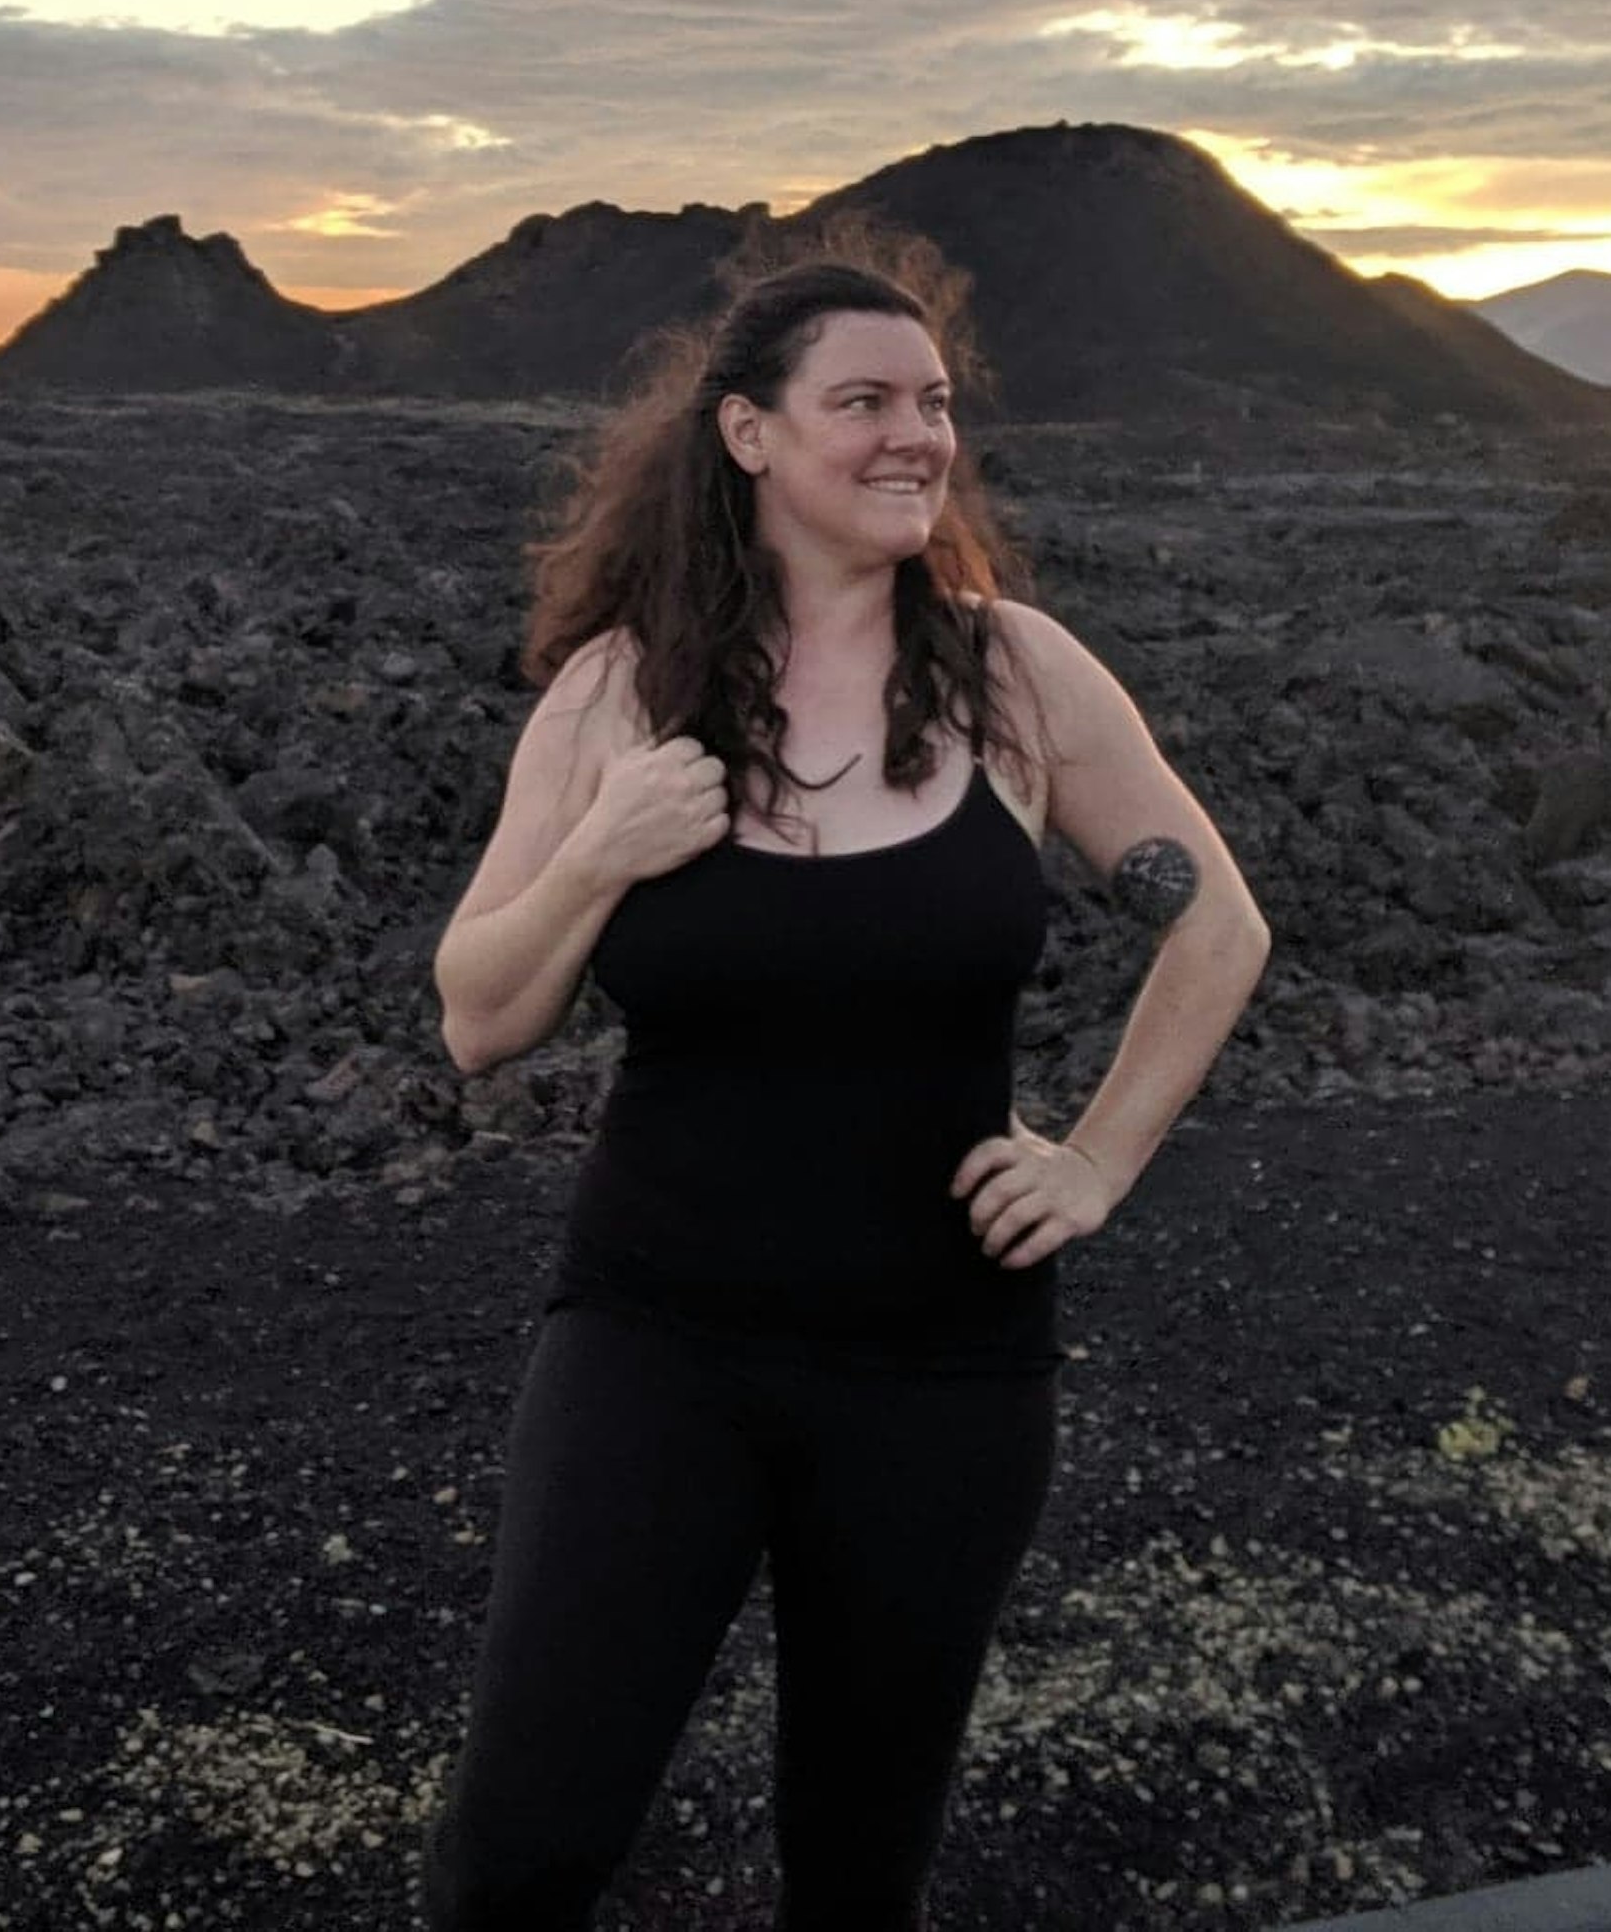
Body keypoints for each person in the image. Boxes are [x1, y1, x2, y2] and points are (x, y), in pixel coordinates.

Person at [419, 215, 1275, 1930]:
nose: (917, 437)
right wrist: (604, 850)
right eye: (865, 400)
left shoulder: (1014, 673)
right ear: (750, 432)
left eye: (936, 402)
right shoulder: (616, 698)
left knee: (859, 1863)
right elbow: (479, 1016)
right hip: (657, 1342)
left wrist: (1097, 1162)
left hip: (942, 1375)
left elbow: (1221, 927)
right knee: (521, 1848)